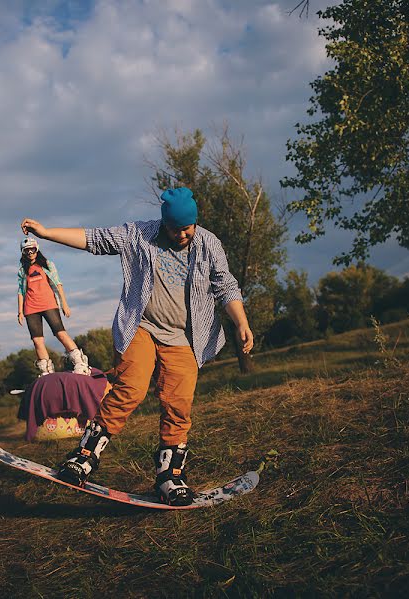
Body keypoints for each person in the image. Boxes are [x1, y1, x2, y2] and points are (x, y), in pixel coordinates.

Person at [20, 187, 254, 506]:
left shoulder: (209, 244)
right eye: (176, 229)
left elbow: (225, 284)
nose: (183, 234)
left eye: (189, 227)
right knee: (130, 389)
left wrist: (240, 321)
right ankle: (85, 456)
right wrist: (47, 233)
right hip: (141, 328)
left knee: (178, 403)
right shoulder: (140, 235)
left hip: (186, 338)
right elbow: (95, 239)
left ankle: (170, 477)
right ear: (164, 223)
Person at [17, 237, 91, 377]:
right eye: (27, 250)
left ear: (37, 249)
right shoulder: (22, 270)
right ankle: (47, 371)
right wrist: (20, 311)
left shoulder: (47, 264)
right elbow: (21, 291)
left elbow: (58, 284)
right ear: (23, 252)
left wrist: (64, 304)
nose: (30, 252)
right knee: (37, 340)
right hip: (30, 308)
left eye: (32, 249)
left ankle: (80, 363)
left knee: (60, 333)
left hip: (49, 304)